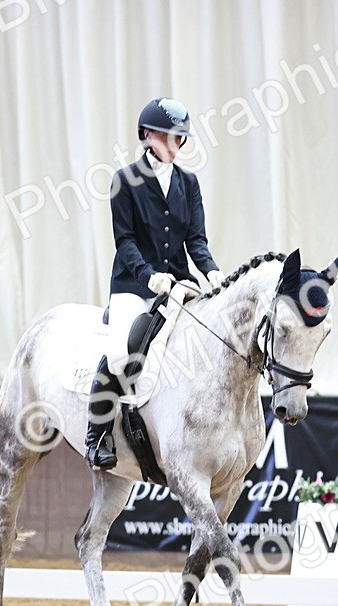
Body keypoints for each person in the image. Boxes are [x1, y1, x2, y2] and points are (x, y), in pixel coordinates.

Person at [85, 97, 224, 470]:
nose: (175, 144)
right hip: (134, 284)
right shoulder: (124, 181)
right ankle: (97, 436)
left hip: (179, 283)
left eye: (179, 138)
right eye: (167, 136)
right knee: (120, 352)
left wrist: (212, 272)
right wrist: (149, 275)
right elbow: (125, 240)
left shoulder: (188, 183)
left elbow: (196, 240)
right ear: (147, 135)